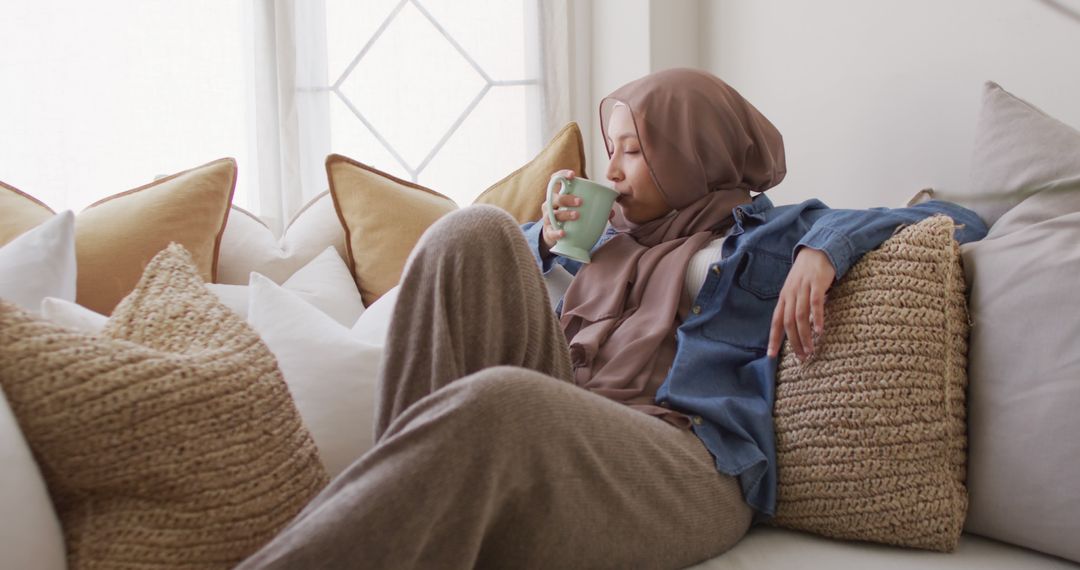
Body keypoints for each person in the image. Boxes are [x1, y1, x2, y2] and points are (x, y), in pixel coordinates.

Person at [238, 68, 987, 569]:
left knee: (499, 402)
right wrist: (547, 236)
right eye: (612, 150)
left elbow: (963, 218)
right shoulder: (604, 239)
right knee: (473, 231)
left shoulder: (769, 234)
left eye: (636, 150)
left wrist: (826, 248)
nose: (615, 169)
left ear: (696, 153)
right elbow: (492, 286)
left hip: (686, 467)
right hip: (579, 424)